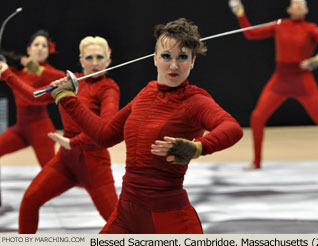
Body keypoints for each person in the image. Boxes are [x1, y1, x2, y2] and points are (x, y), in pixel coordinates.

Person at [50, 18, 243, 234]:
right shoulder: (145, 94)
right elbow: (105, 135)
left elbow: (232, 128)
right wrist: (66, 97)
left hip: (170, 218)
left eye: (182, 57)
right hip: (126, 213)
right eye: (166, 56)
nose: (173, 65)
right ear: (155, 58)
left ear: (193, 61)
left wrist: (198, 147)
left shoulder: (195, 101)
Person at [1, 36, 120, 233]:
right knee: (29, 202)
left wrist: (74, 142)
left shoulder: (108, 88)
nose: (95, 62)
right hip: (65, 162)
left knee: (117, 223)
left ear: (108, 60)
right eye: (89, 58)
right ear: (81, 60)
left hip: (94, 166)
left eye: (100, 57)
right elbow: (33, 96)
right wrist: (7, 74)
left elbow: (105, 131)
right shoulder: (70, 82)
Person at [229, 0, 318, 169]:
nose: (299, 6)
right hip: (281, 80)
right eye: (296, 3)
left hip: (302, 80)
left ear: (306, 9)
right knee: (257, 117)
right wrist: (240, 14)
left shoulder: (311, 28)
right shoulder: (280, 24)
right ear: (289, 9)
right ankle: (256, 162)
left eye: (302, 4)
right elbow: (250, 34)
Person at [0, 30, 65, 168]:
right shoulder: (17, 70)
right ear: (29, 49)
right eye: (37, 44)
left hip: (41, 130)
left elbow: (61, 78)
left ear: (48, 51)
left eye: (44, 45)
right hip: (21, 129)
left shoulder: (49, 72)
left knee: (51, 173)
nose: (40, 48)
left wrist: (35, 68)